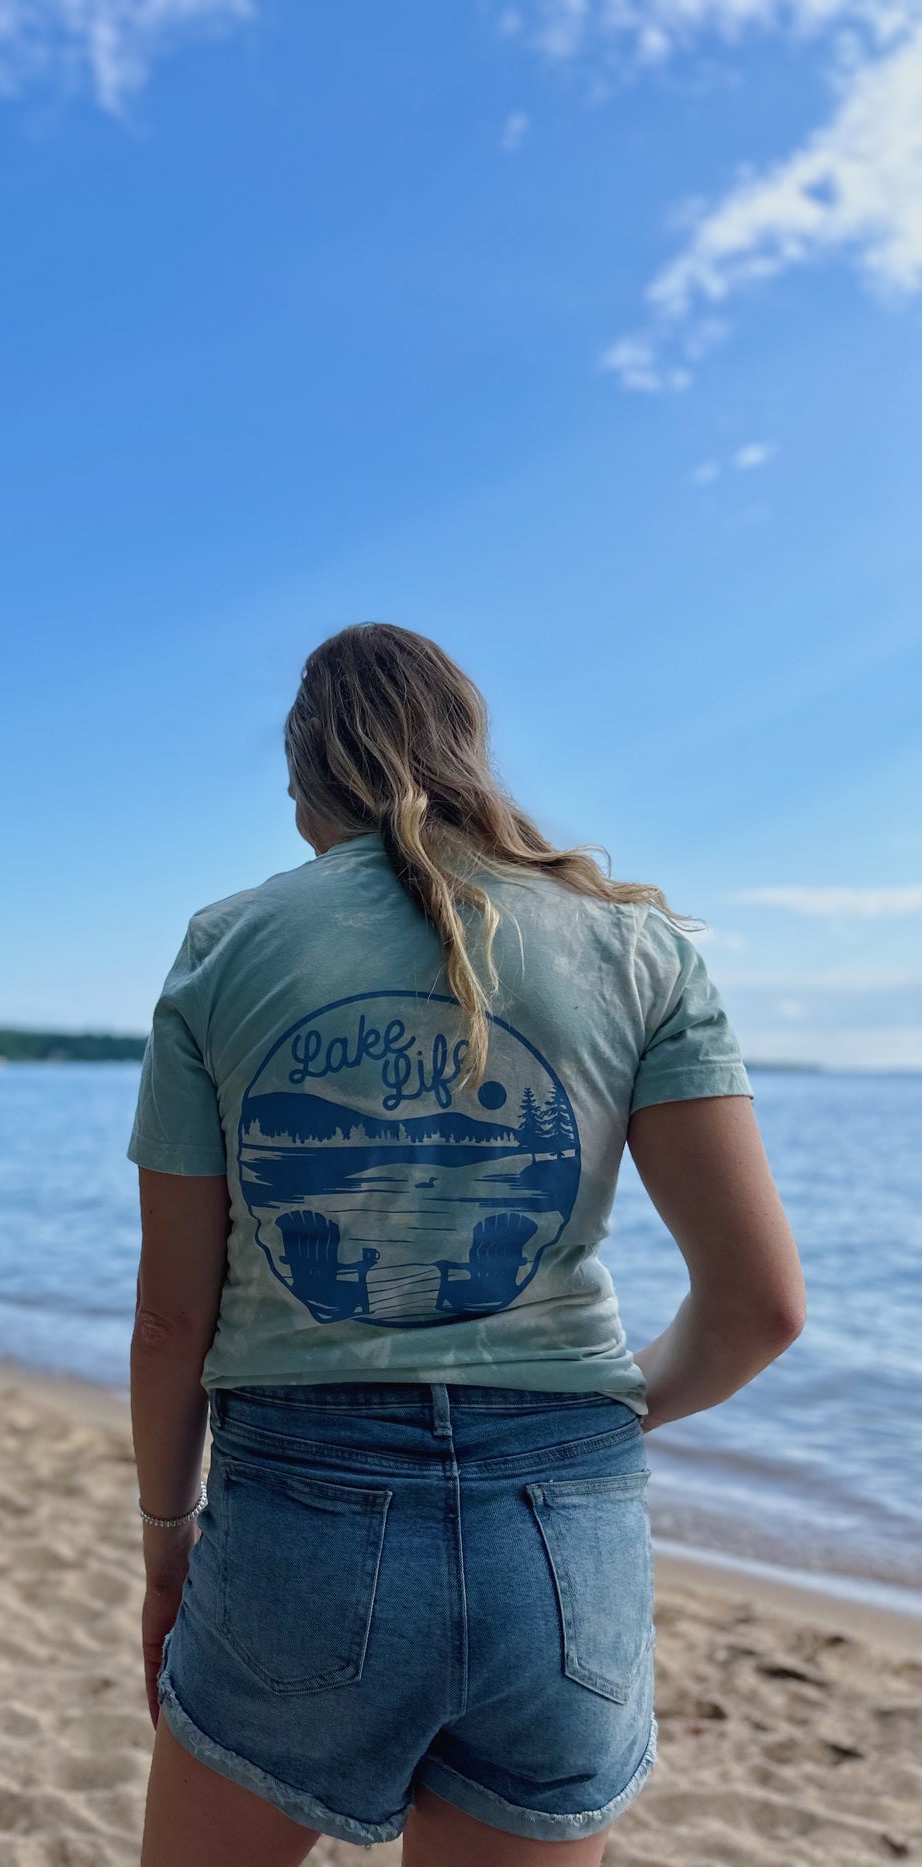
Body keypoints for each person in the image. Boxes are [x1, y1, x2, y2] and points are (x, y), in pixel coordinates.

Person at [128, 623, 806, 1866]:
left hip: (299, 1519)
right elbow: (760, 1309)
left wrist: (166, 1548)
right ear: (467, 750)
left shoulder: (225, 943)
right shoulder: (637, 947)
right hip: (563, 1537)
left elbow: (173, 1320)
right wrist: (587, 1422)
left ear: (302, 781)